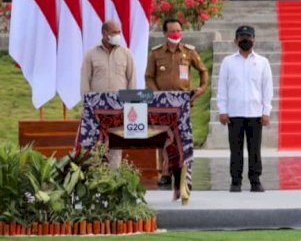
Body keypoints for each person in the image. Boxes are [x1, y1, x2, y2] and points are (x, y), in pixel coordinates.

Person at [145, 18, 209, 189]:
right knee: (164, 138)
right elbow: (149, 76)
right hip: (163, 104)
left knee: (183, 138)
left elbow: (203, 70)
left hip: (182, 104)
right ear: (165, 33)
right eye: (172, 31)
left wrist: (201, 89)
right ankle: (165, 173)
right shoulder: (156, 53)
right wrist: (157, 95)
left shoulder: (188, 52)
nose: (176, 34)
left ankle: (183, 173)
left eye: (179, 30)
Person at [217, 25, 273, 192]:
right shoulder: (228, 62)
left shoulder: (262, 62)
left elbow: (267, 89)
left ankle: (255, 180)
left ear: (254, 39)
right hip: (234, 113)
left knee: (254, 149)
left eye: (248, 37)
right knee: (236, 150)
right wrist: (222, 110)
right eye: (242, 37)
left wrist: (266, 112)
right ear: (235, 41)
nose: (245, 40)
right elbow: (222, 88)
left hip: (255, 113)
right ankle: (236, 181)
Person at [80, 20, 136, 168]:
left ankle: (113, 179)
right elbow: (85, 80)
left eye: (119, 32)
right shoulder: (91, 54)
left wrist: (131, 106)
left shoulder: (126, 53)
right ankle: (97, 177)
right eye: (114, 32)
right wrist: (87, 106)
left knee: (116, 146)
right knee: (96, 144)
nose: (118, 35)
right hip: (97, 110)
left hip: (119, 109)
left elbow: (132, 80)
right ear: (104, 33)